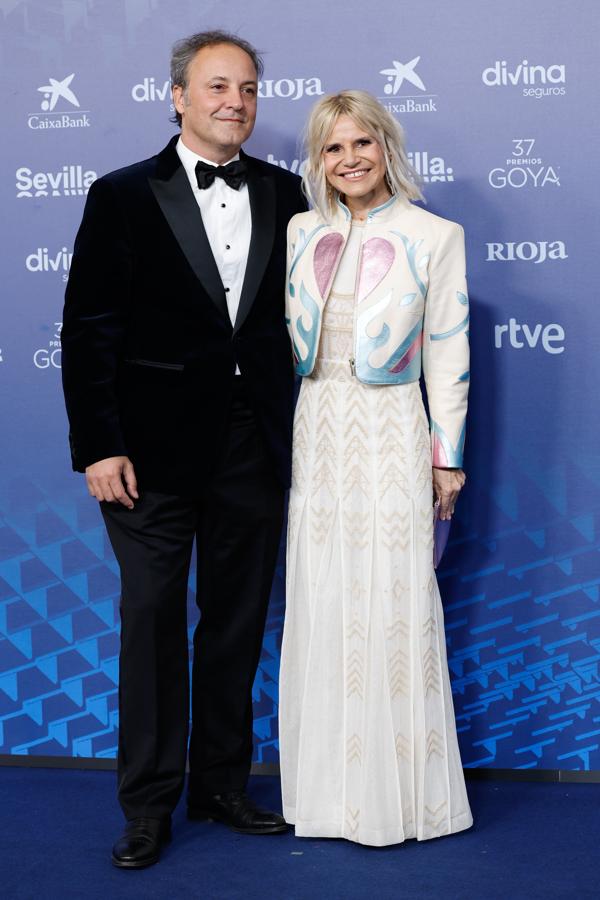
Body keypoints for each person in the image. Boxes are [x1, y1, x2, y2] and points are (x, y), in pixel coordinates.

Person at [61, 30, 306, 868]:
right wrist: (98, 445)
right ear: (177, 96)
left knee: (235, 624)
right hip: (149, 456)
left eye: (246, 89)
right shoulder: (121, 195)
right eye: (216, 87)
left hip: (254, 448)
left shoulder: (289, 192)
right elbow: (89, 332)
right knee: (154, 622)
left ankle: (222, 786)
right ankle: (148, 806)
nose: (234, 101)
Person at [279, 90, 473, 846]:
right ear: (317, 160)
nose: (349, 159)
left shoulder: (436, 235)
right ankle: (327, 795)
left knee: (394, 595)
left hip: (393, 428)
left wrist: (445, 460)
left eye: (362, 143)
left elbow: (448, 351)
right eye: (333, 148)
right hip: (317, 427)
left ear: (386, 147)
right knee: (323, 591)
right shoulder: (300, 229)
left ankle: (401, 801)